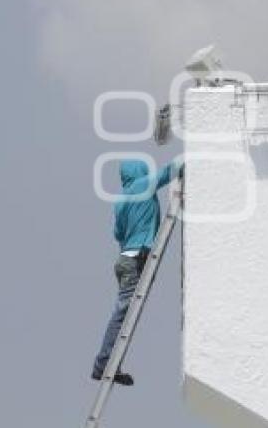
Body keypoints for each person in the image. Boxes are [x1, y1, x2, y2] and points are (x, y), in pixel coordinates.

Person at [91, 158, 182, 386]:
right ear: (139, 171)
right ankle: (102, 365)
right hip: (136, 260)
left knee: (124, 314)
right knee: (122, 313)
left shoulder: (121, 200)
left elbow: (118, 234)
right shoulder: (143, 185)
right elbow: (171, 170)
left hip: (124, 260)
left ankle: (111, 365)